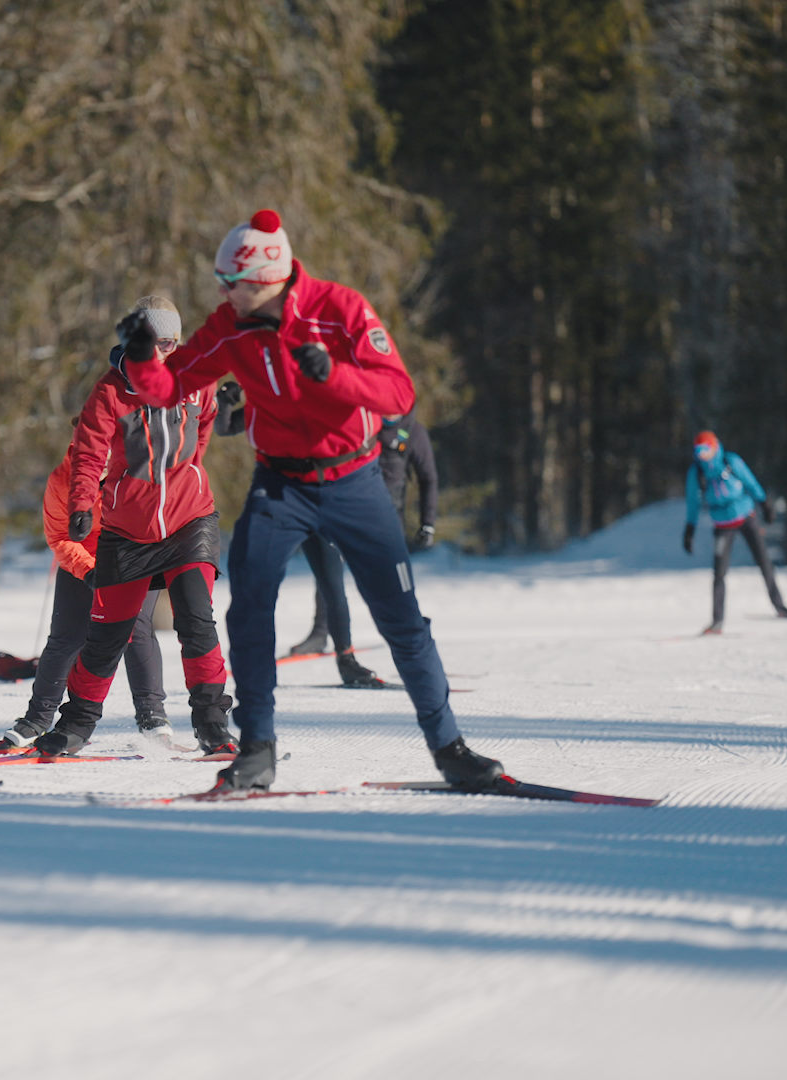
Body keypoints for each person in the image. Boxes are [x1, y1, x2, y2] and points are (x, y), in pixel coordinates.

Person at [115, 208, 506, 793]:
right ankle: (256, 750)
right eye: (222, 284)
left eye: (232, 284)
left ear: (265, 277)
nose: (223, 295)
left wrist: (338, 377)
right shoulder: (230, 325)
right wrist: (142, 354)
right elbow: (171, 387)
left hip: (355, 482)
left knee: (400, 616)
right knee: (249, 606)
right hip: (281, 486)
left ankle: (450, 748)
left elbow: (399, 391)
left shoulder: (339, 310)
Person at [34, 295, 238, 759]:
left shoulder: (197, 379)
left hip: (191, 520)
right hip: (128, 531)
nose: (164, 352)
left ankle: (213, 726)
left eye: (171, 342)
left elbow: (202, 429)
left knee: (197, 622)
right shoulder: (110, 392)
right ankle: (76, 726)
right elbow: (87, 453)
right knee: (106, 637)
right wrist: (83, 504)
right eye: (153, 342)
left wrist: (193, 467)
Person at [0, 442, 170, 749]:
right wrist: (90, 572)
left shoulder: (140, 471)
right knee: (67, 637)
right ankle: (37, 719)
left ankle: (152, 715)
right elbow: (59, 536)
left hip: (132, 558)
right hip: (80, 562)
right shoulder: (63, 479)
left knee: (136, 630)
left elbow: (156, 521)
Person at [216, 383, 380, 686]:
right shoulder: (266, 403)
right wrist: (225, 401)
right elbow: (225, 428)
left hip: (322, 500)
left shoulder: (317, 396)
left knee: (331, 582)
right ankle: (257, 660)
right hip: (282, 504)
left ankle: (346, 659)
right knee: (259, 580)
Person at [683, 430, 787, 632]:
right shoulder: (696, 472)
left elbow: (750, 482)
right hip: (722, 525)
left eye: (705, 449)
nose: (702, 454)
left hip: (746, 517)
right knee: (719, 573)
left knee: (764, 562)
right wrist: (690, 528)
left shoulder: (730, 461)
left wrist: (764, 503)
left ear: (714, 446)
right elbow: (693, 501)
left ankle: (780, 606)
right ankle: (717, 621)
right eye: (698, 450)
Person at [380, 410, 439, 552]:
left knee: (392, 570)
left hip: (392, 516)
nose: (389, 409)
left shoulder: (414, 432)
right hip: (358, 513)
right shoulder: (362, 426)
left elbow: (428, 478)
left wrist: (427, 523)